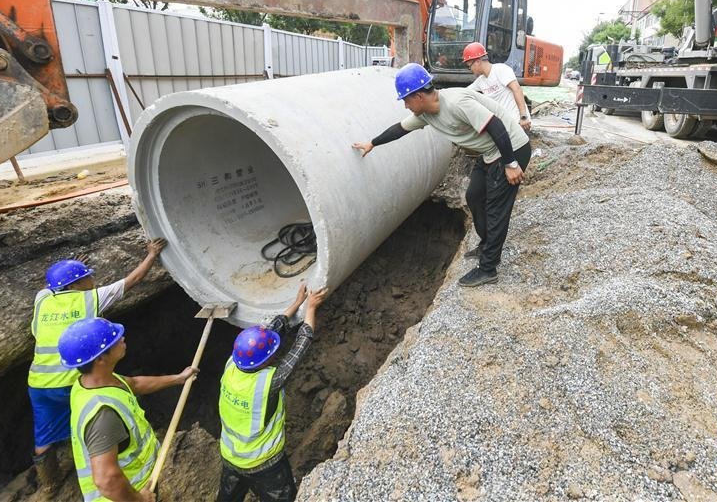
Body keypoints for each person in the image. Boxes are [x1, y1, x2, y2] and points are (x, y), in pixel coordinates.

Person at [352, 63, 531, 287]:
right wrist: (372, 143)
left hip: (510, 148)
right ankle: (486, 245)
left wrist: (511, 163)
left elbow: (496, 127)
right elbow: (399, 129)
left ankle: (488, 269)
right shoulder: (426, 114)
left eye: (406, 100)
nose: (406, 106)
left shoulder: (456, 103)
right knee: (474, 197)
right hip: (490, 152)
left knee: (496, 209)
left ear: (418, 96)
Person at [28, 238, 168, 498]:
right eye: (87, 277)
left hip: (38, 383)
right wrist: (151, 254)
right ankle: (97, 452)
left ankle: (49, 484)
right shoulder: (89, 300)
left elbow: (48, 286)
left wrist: (71, 271)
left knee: (44, 435)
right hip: (68, 381)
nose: (92, 280)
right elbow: (132, 280)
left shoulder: (42, 300)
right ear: (75, 285)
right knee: (95, 425)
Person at [59, 317, 197, 502]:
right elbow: (106, 480)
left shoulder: (92, 381)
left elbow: (134, 383)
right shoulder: (103, 415)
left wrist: (178, 378)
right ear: (100, 359)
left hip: (144, 483)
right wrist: (139, 499)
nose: (122, 337)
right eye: (114, 339)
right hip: (127, 495)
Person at [217, 282, 329, 502]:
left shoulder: (233, 363)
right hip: (264, 463)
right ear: (263, 361)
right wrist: (311, 309)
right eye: (272, 353)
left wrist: (296, 303)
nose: (275, 354)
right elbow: (300, 346)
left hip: (231, 457)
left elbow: (268, 331)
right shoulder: (269, 382)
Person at [463, 42, 531, 131]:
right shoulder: (480, 81)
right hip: (504, 126)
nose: (470, 70)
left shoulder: (500, 70)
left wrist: (523, 116)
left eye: (469, 66)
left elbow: (517, 89)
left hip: (518, 123)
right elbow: (463, 92)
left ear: (478, 62)